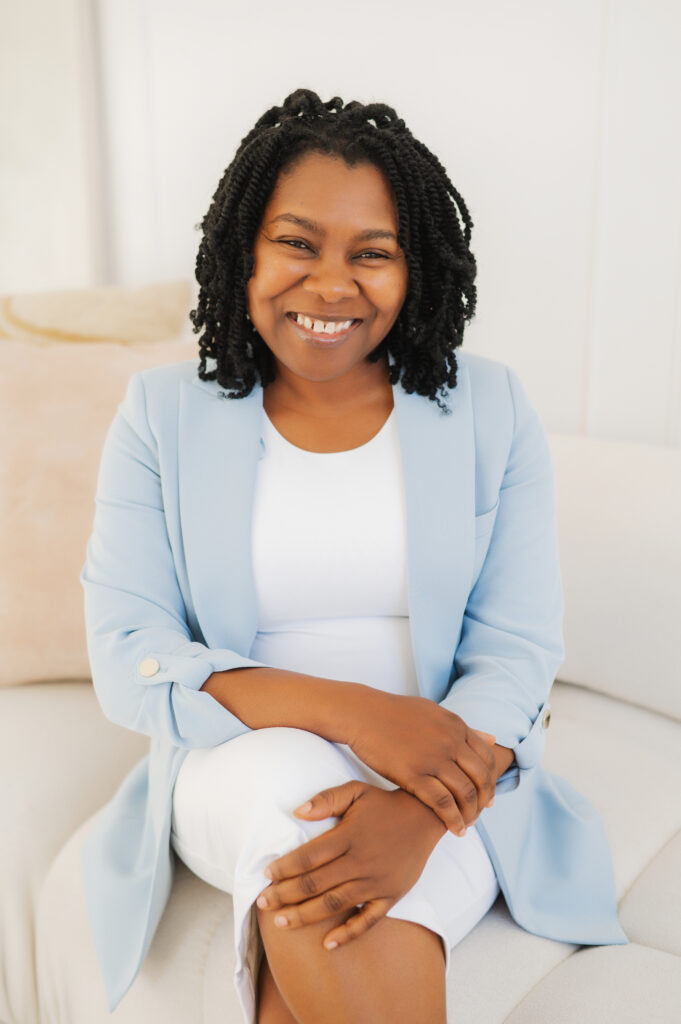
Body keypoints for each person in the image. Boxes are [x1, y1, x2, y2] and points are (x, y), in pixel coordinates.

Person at [80, 88, 627, 1024]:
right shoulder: (160, 414)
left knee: (315, 963)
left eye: (370, 254)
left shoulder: (490, 409)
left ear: (416, 271)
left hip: (449, 772)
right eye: (297, 243)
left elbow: (517, 651)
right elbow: (131, 657)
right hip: (240, 763)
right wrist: (358, 716)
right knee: (294, 793)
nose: (331, 286)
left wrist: (419, 813)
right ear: (241, 250)